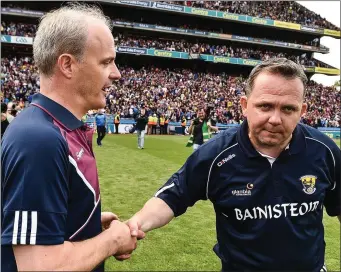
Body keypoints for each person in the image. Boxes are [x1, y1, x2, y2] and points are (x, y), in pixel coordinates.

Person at [125, 58, 340, 271]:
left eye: (288, 109)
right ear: (245, 106)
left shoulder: (324, 151)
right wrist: (134, 225)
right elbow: (171, 197)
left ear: (302, 111)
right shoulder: (216, 155)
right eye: (265, 106)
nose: (275, 119)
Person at [1, 3, 144, 272]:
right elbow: (39, 266)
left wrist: (85, 223)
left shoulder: (56, 129)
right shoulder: (38, 140)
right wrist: (112, 240)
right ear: (67, 64)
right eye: (106, 62)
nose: (117, 73)